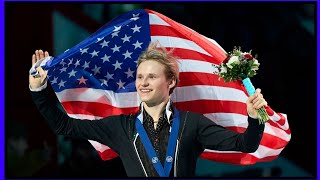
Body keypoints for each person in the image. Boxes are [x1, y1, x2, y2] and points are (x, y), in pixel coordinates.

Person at [29, 42, 267, 177]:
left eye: (151, 77)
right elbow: (64, 125)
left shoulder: (192, 124)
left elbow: (245, 144)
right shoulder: (120, 127)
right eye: (140, 76)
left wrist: (255, 118)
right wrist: (39, 90)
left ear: (171, 82)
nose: (142, 83)